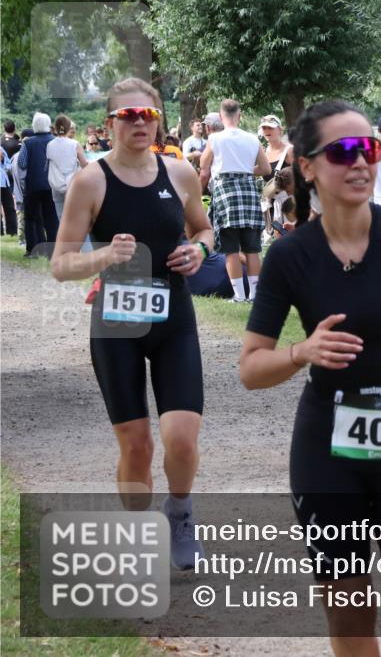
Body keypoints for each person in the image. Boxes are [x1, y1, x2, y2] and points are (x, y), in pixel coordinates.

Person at [239, 99, 381, 657]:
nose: (361, 161)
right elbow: (251, 367)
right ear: (308, 166)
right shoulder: (290, 255)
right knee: (349, 616)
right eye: (343, 151)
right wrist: (302, 351)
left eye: (368, 148)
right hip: (327, 443)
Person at [49, 77, 215, 569]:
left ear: (158, 120)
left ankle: (179, 513)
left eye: (148, 114)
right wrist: (102, 257)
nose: (139, 122)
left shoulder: (180, 173)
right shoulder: (91, 181)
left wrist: (198, 249)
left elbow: (205, 228)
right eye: (128, 115)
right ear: (110, 123)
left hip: (173, 320)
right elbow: (61, 264)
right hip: (116, 326)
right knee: (137, 446)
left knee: (181, 438)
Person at [199, 99, 270, 303]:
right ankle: (254, 295)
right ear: (239, 116)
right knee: (252, 249)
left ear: (221, 117)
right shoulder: (252, 139)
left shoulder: (215, 138)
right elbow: (265, 169)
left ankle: (239, 296)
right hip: (249, 193)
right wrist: (245, 170)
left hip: (225, 194)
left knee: (230, 249)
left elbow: (204, 165)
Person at [18, 112, 59, 257]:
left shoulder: (28, 143)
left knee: (31, 217)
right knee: (51, 218)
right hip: (52, 185)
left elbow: (22, 163)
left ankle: (33, 250)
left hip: (33, 185)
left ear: (34, 125)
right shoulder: (56, 140)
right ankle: (53, 251)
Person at [46, 114, 88, 221]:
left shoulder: (50, 145)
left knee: (61, 218)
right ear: (68, 127)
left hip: (56, 185)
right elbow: (84, 164)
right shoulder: (74, 144)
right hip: (73, 184)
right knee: (77, 218)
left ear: (56, 128)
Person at [259, 114, 294, 183]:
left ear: (280, 129)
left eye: (270, 127)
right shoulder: (263, 152)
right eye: (264, 128)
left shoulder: (290, 150)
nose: (267, 131)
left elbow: (301, 175)